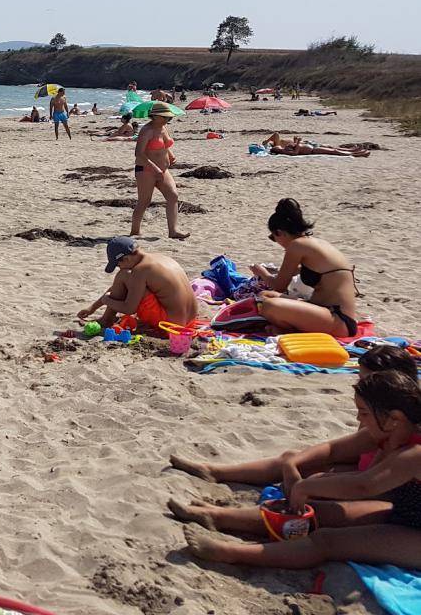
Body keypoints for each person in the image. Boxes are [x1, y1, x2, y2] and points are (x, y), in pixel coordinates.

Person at [176, 371, 421, 570]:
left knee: (327, 541)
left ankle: (232, 553)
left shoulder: (414, 453)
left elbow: (364, 485)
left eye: (364, 413)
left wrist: (305, 486)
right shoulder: (390, 431)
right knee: (317, 513)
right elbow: (333, 450)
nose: (359, 419)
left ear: (394, 418)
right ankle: (216, 516)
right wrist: (292, 464)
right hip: (403, 513)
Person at [170, 344, 418, 484]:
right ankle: (216, 472)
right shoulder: (380, 414)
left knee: (314, 476)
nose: (361, 385)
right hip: (363, 467)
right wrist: (294, 462)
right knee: (293, 459)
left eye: (367, 380)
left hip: (380, 481)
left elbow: (372, 480)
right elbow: (336, 448)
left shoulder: (396, 424)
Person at [250, 199, 361, 337]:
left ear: (279, 232)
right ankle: (289, 330)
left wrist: (261, 272)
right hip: (328, 312)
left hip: (337, 318)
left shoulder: (296, 246)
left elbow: (278, 285)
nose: (276, 242)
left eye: (273, 237)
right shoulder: (315, 244)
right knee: (266, 296)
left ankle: (291, 332)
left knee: (269, 306)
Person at [77, 237, 198, 332]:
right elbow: (122, 287)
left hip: (170, 326)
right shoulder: (159, 258)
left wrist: (106, 299)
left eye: (118, 265)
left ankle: (106, 319)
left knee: (123, 275)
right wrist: (93, 307)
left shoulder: (140, 270)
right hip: (189, 320)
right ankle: (106, 318)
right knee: (125, 277)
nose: (120, 268)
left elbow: (129, 309)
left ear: (127, 259)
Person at [130, 101, 187, 239]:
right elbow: (139, 153)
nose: (167, 119)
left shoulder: (164, 128)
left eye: (168, 117)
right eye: (164, 117)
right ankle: (135, 231)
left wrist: (171, 155)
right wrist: (153, 167)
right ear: (154, 116)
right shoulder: (147, 130)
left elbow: (164, 146)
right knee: (144, 201)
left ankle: (173, 231)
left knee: (173, 195)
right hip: (146, 170)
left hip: (163, 170)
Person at [263, 133, 368, 157]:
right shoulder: (283, 150)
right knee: (334, 152)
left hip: (313, 148)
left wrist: (296, 142)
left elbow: (276, 135)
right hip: (312, 151)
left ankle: (354, 151)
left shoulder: (282, 148)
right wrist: (298, 143)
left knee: (333, 149)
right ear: (276, 150)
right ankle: (357, 154)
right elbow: (295, 153)